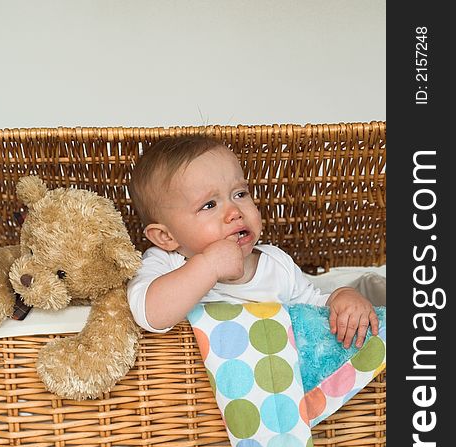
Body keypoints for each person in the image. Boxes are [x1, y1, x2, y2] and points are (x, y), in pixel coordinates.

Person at [127, 136, 379, 349]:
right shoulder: (166, 263)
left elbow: (315, 309)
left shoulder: (275, 264)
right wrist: (209, 266)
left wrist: (343, 297)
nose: (234, 211)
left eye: (240, 194)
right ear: (166, 237)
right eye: (209, 205)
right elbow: (149, 314)